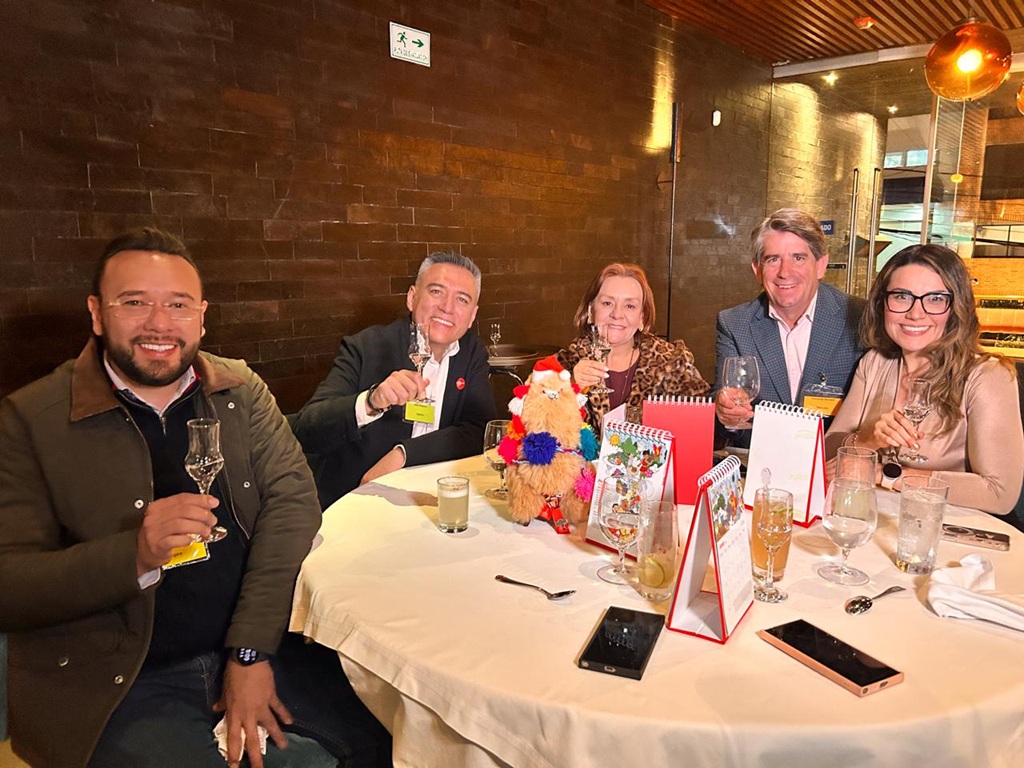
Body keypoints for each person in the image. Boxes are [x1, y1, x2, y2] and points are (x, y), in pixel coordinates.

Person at [0, 228, 390, 768]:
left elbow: (292, 504)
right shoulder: (31, 419)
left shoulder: (238, 390)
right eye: (134, 302)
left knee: (389, 739)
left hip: (259, 643)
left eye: (178, 304)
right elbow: (11, 586)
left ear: (202, 316)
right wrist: (134, 555)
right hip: (122, 680)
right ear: (97, 313)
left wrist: (249, 651)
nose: (160, 323)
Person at [825, 243, 1023, 517]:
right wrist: (869, 439)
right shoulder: (875, 362)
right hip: (874, 520)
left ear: (955, 307)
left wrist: (886, 474)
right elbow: (829, 449)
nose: (915, 313)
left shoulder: (987, 376)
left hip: (945, 529)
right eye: (902, 296)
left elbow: (999, 494)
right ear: (882, 304)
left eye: (935, 299)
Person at [292, 252, 497, 507]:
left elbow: (480, 429)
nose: (447, 307)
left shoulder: (471, 352)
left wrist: (404, 454)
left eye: (462, 299)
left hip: (429, 498)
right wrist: (370, 402)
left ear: (472, 315)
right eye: (436, 291)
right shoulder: (366, 346)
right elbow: (305, 430)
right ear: (412, 297)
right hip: (355, 501)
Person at [714, 209, 865, 445]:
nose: (785, 272)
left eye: (798, 258)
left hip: (833, 460)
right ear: (757, 270)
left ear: (821, 265)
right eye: (773, 259)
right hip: (761, 457)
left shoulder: (860, 319)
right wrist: (725, 411)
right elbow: (724, 408)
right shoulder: (734, 324)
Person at [558, 262, 709, 429]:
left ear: (642, 317)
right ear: (590, 311)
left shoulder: (672, 365)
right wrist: (570, 387)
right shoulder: (564, 365)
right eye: (607, 303)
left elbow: (702, 427)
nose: (617, 314)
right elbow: (538, 430)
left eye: (630, 306)